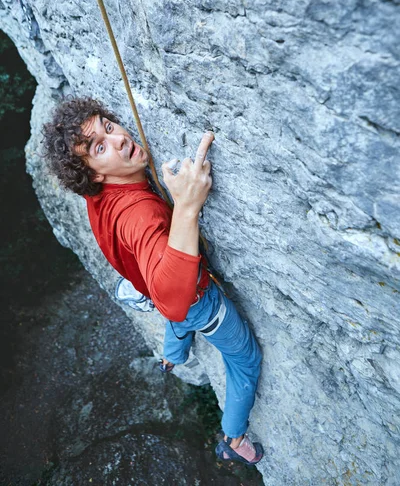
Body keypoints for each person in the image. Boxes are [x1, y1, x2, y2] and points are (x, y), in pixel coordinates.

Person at [42, 97, 263, 465]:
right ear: (95, 173)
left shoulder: (100, 195)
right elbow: (174, 298)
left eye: (108, 127)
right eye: (99, 146)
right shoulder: (138, 214)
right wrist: (188, 205)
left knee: (170, 313)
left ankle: (172, 358)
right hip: (198, 302)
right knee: (244, 358)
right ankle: (234, 438)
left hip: (149, 283)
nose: (118, 140)